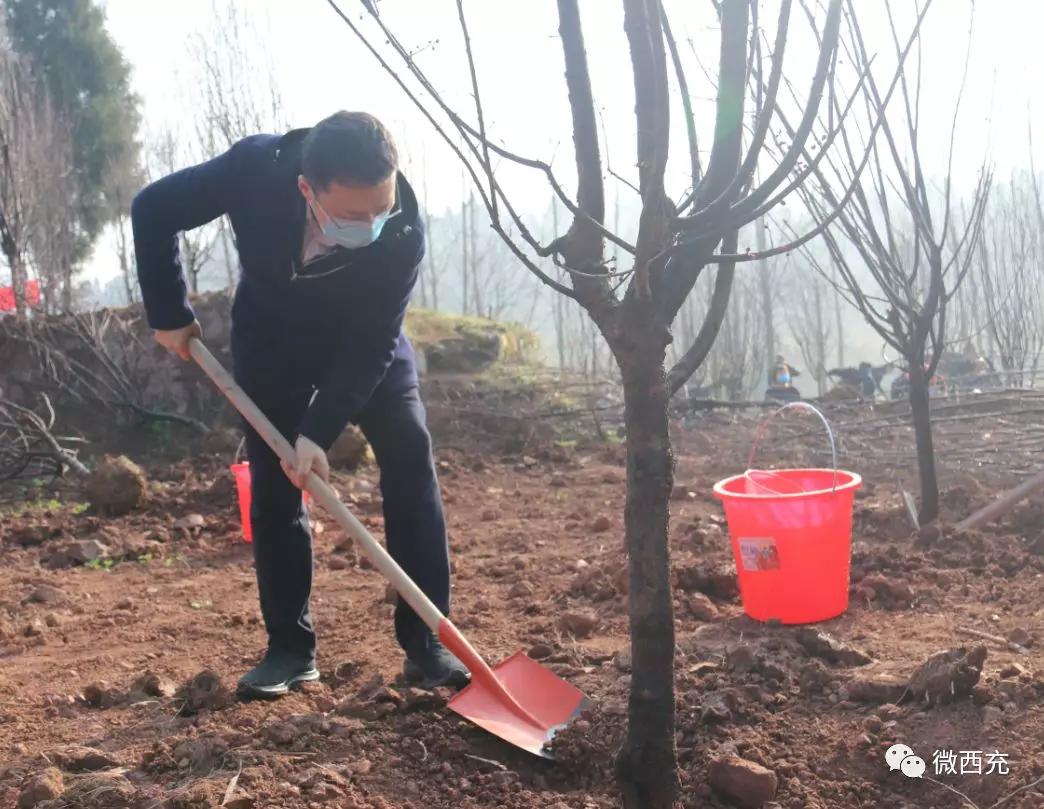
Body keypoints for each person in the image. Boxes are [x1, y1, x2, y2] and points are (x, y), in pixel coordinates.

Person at [132, 111, 468, 698]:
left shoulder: (403, 230)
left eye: (379, 209)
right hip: (273, 346)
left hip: (366, 349)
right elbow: (153, 209)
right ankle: (290, 648)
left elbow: (372, 346)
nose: (371, 225)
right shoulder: (254, 170)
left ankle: (428, 641)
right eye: (352, 215)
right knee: (274, 483)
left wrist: (319, 432)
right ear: (306, 189)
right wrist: (168, 313)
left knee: (411, 456)